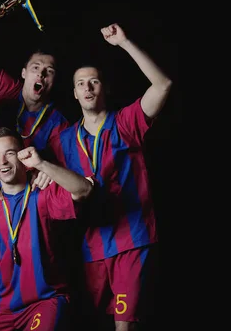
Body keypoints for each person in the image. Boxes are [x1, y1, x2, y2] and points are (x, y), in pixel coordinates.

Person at [51, 23, 172, 331]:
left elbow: (163, 85)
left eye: (94, 82)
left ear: (104, 89)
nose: (88, 88)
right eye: (81, 83)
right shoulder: (62, 140)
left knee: (124, 326)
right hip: (92, 246)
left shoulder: (126, 123)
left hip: (132, 239)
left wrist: (125, 42)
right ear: (74, 93)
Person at [0, 126, 94, 331]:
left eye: (9, 154)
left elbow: (84, 190)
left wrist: (42, 165)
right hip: (3, 307)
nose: (2, 162)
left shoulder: (43, 193)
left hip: (45, 300)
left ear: (22, 156)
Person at [0, 8, 70, 168]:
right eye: (35, 68)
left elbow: (60, 168)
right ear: (23, 73)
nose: (41, 74)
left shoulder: (58, 123)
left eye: (49, 71)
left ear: (53, 80)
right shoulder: (5, 88)